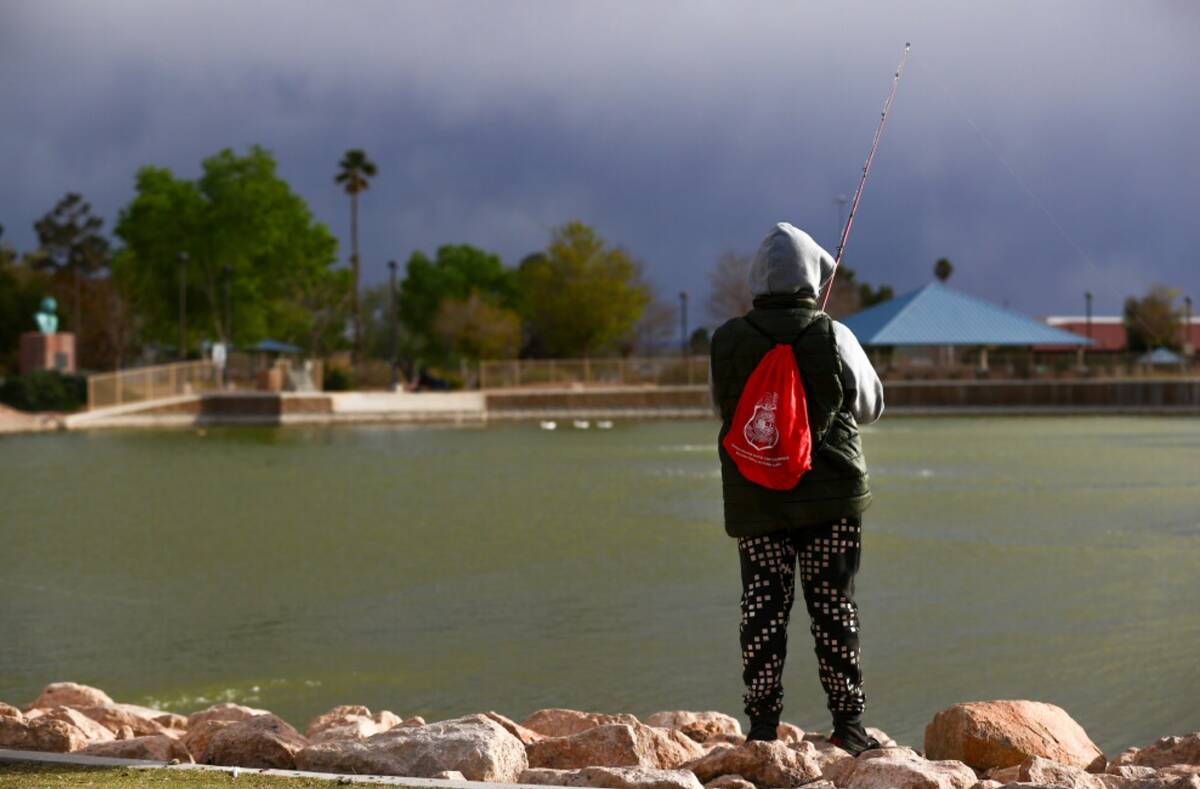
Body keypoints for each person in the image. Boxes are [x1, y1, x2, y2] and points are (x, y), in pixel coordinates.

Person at [709, 222, 885, 755]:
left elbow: (727, 409)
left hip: (756, 495)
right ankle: (849, 727)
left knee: (762, 607)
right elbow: (870, 406)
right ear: (812, 276)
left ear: (758, 279)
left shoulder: (727, 339)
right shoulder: (834, 334)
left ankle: (762, 728)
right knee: (834, 607)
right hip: (832, 498)